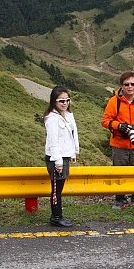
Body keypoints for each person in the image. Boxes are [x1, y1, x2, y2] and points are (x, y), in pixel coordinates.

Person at [101, 71, 134, 213]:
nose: (130, 87)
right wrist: (119, 126)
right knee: (119, 173)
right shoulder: (114, 101)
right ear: (121, 86)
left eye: (133, 84)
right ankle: (120, 199)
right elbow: (105, 121)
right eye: (126, 84)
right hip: (119, 144)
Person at [43, 85, 79, 227]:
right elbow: (53, 141)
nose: (65, 103)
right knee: (56, 189)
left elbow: (71, 135)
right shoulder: (52, 118)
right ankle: (56, 217)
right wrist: (58, 161)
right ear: (54, 101)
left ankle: (57, 215)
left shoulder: (68, 115)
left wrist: (73, 153)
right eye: (61, 101)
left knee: (59, 187)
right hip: (56, 158)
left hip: (64, 156)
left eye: (67, 100)